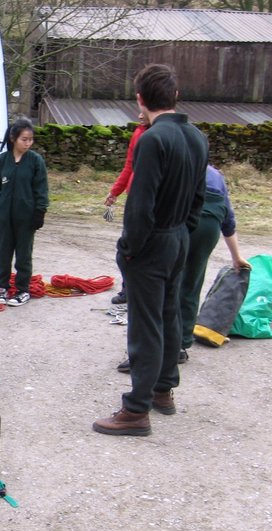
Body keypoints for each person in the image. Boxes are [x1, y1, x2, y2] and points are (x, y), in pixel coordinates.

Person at [93, 63, 209, 436]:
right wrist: (183, 233)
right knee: (169, 314)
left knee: (146, 324)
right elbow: (198, 199)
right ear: (174, 96)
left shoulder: (152, 139)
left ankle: (137, 408)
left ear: (140, 99)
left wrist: (129, 247)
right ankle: (163, 390)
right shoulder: (197, 137)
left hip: (154, 240)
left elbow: (140, 206)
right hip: (177, 238)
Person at [116, 164, 251, 373]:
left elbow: (148, 203)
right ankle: (180, 346)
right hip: (210, 225)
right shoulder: (216, 174)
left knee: (160, 284)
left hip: (183, 217)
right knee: (191, 284)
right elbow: (228, 217)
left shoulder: (172, 163)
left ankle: (146, 352)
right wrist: (236, 256)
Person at [0, 117, 49, 307]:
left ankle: (22, 290)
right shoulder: (1, 161)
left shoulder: (35, 161)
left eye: (30, 139)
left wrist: (40, 211)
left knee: (23, 254)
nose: (28, 143)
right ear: (13, 138)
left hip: (26, 216)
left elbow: (41, 188)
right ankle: (2, 288)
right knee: (4, 253)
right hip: (4, 216)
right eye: (24, 139)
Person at [105, 112, 148, 304]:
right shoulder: (138, 133)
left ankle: (140, 292)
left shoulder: (158, 135)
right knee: (125, 251)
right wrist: (115, 192)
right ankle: (128, 289)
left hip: (150, 202)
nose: (139, 115)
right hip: (134, 200)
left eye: (143, 110)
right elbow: (129, 166)